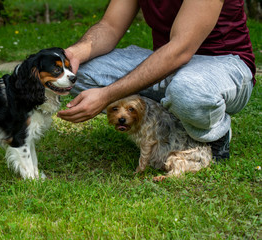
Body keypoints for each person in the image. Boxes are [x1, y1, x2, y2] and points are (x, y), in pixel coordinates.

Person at [57, 0, 256, 161]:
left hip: (223, 65)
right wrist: (73, 54)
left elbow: (181, 48)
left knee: (188, 91)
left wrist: (107, 95)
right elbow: (110, 26)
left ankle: (216, 132)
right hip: (167, 62)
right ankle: (166, 124)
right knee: (77, 72)